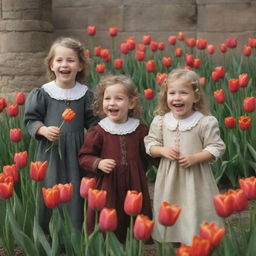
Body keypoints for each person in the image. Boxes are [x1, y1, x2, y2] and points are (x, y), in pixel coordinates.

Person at [144, 68, 225, 246]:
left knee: (194, 206)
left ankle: (195, 241)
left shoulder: (204, 121)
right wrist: (162, 150)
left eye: (184, 93)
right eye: (172, 93)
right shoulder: (161, 121)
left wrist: (196, 157)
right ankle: (175, 240)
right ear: (166, 96)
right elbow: (150, 143)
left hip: (196, 177)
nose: (177, 98)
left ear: (195, 97)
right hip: (169, 178)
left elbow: (216, 147)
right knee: (171, 207)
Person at [24, 37, 99, 230]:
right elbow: (31, 120)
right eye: (59, 60)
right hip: (50, 149)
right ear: (51, 64)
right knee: (51, 186)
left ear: (80, 65)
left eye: (70, 60)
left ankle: (73, 233)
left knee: (75, 187)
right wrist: (43, 130)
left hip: (77, 150)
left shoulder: (85, 94)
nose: (64, 65)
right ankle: (49, 233)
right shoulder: (43, 93)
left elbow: (93, 123)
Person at [78, 74, 156, 242]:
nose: (112, 103)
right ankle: (108, 244)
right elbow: (84, 156)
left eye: (118, 99)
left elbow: (150, 153)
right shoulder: (98, 131)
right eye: (107, 99)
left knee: (134, 216)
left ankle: (133, 244)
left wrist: (163, 154)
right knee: (109, 215)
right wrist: (98, 163)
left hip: (135, 182)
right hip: (108, 183)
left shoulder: (141, 129)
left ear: (132, 103)